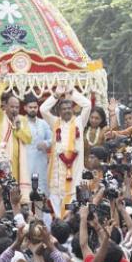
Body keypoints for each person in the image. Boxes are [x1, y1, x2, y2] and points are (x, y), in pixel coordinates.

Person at [40, 86, 90, 216]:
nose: (67, 111)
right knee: (56, 216)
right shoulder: (55, 122)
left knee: (70, 215)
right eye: (64, 109)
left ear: (73, 109)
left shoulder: (79, 122)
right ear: (59, 111)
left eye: (69, 108)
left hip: (73, 180)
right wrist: (56, 95)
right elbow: (43, 109)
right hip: (56, 181)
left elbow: (87, 105)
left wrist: (72, 93)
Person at [0, 73, 32, 196]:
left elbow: (28, 139)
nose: (14, 109)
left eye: (17, 107)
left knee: (12, 193)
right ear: (5, 106)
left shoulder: (22, 120)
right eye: (12, 106)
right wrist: (2, 78)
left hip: (14, 164)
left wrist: (18, 128)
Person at [22, 94, 51, 195]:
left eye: (35, 107)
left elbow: (53, 139)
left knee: (41, 195)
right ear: (25, 108)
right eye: (30, 107)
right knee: (26, 196)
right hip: (26, 164)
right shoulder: (21, 122)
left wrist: (46, 143)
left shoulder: (43, 123)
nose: (33, 109)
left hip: (41, 165)